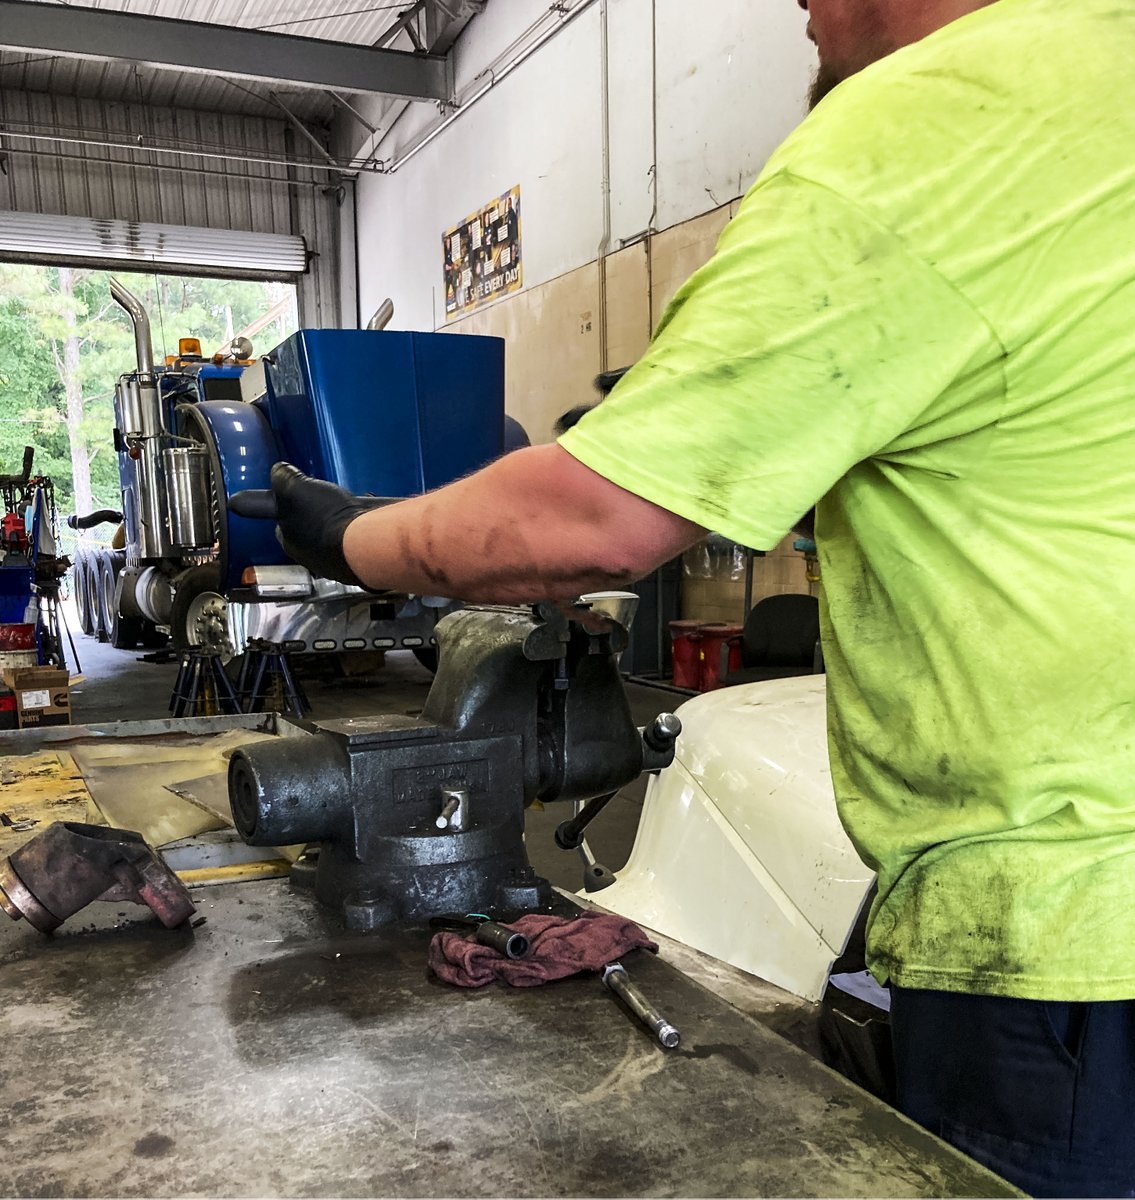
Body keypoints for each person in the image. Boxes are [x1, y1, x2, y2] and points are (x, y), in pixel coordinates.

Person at [270, 2, 1135, 1193]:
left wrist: (358, 537)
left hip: (1082, 924)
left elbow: (592, 520)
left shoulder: (945, 116)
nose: (799, 9)